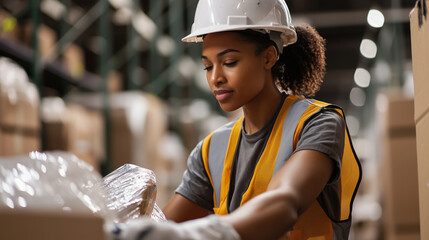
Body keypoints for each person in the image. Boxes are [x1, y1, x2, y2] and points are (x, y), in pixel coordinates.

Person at [107, 0, 362, 239]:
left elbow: (286, 203)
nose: (215, 77)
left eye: (229, 62)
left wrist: (193, 235)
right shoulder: (211, 150)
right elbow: (166, 224)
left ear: (268, 57)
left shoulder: (318, 123)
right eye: (207, 66)